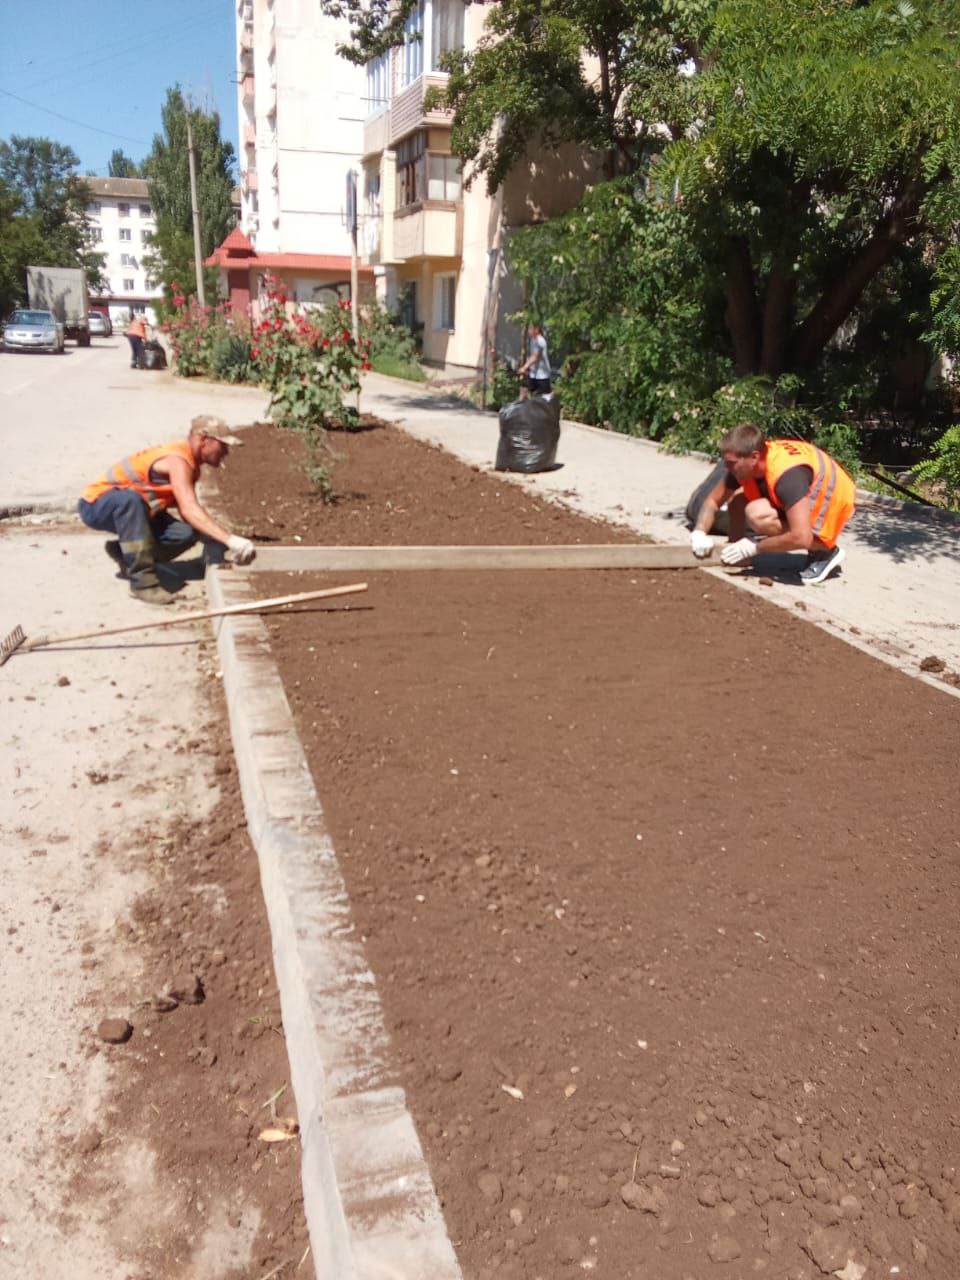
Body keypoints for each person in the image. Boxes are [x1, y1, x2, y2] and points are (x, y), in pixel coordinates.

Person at [78, 415, 256, 605]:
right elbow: (189, 509)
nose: (226, 452)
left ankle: (125, 552)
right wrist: (230, 540)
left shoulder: (190, 464)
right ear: (204, 439)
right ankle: (143, 584)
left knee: (185, 534)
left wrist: (216, 537)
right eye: (223, 445)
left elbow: (188, 511)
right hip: (96, 505)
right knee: (130, 502)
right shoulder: (177, 460)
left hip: (135, 511)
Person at [689, 424, 856, 584]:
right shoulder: (743, 466)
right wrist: (699, 532)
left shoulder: (788, 478)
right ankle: (736, 554)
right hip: (799, 490)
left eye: (731, 463)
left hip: (829, 498)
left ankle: (825, 550)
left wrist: (755, 547)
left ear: (754, 457)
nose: (727, 467)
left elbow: (801, 537)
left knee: (761, 517)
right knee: (738, 501)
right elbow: (712, 501)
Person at [517, 322, 551, 399]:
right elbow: (531, 356)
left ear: (536, 329)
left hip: (542, 376)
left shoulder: (540, 341)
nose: (529, 331)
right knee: (524, 387)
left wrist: (524, 367)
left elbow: (535, 357)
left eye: (531, 329)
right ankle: (521, 407)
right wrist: (528, 369)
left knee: (543, 399)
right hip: (534, 374)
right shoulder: (533, 340)